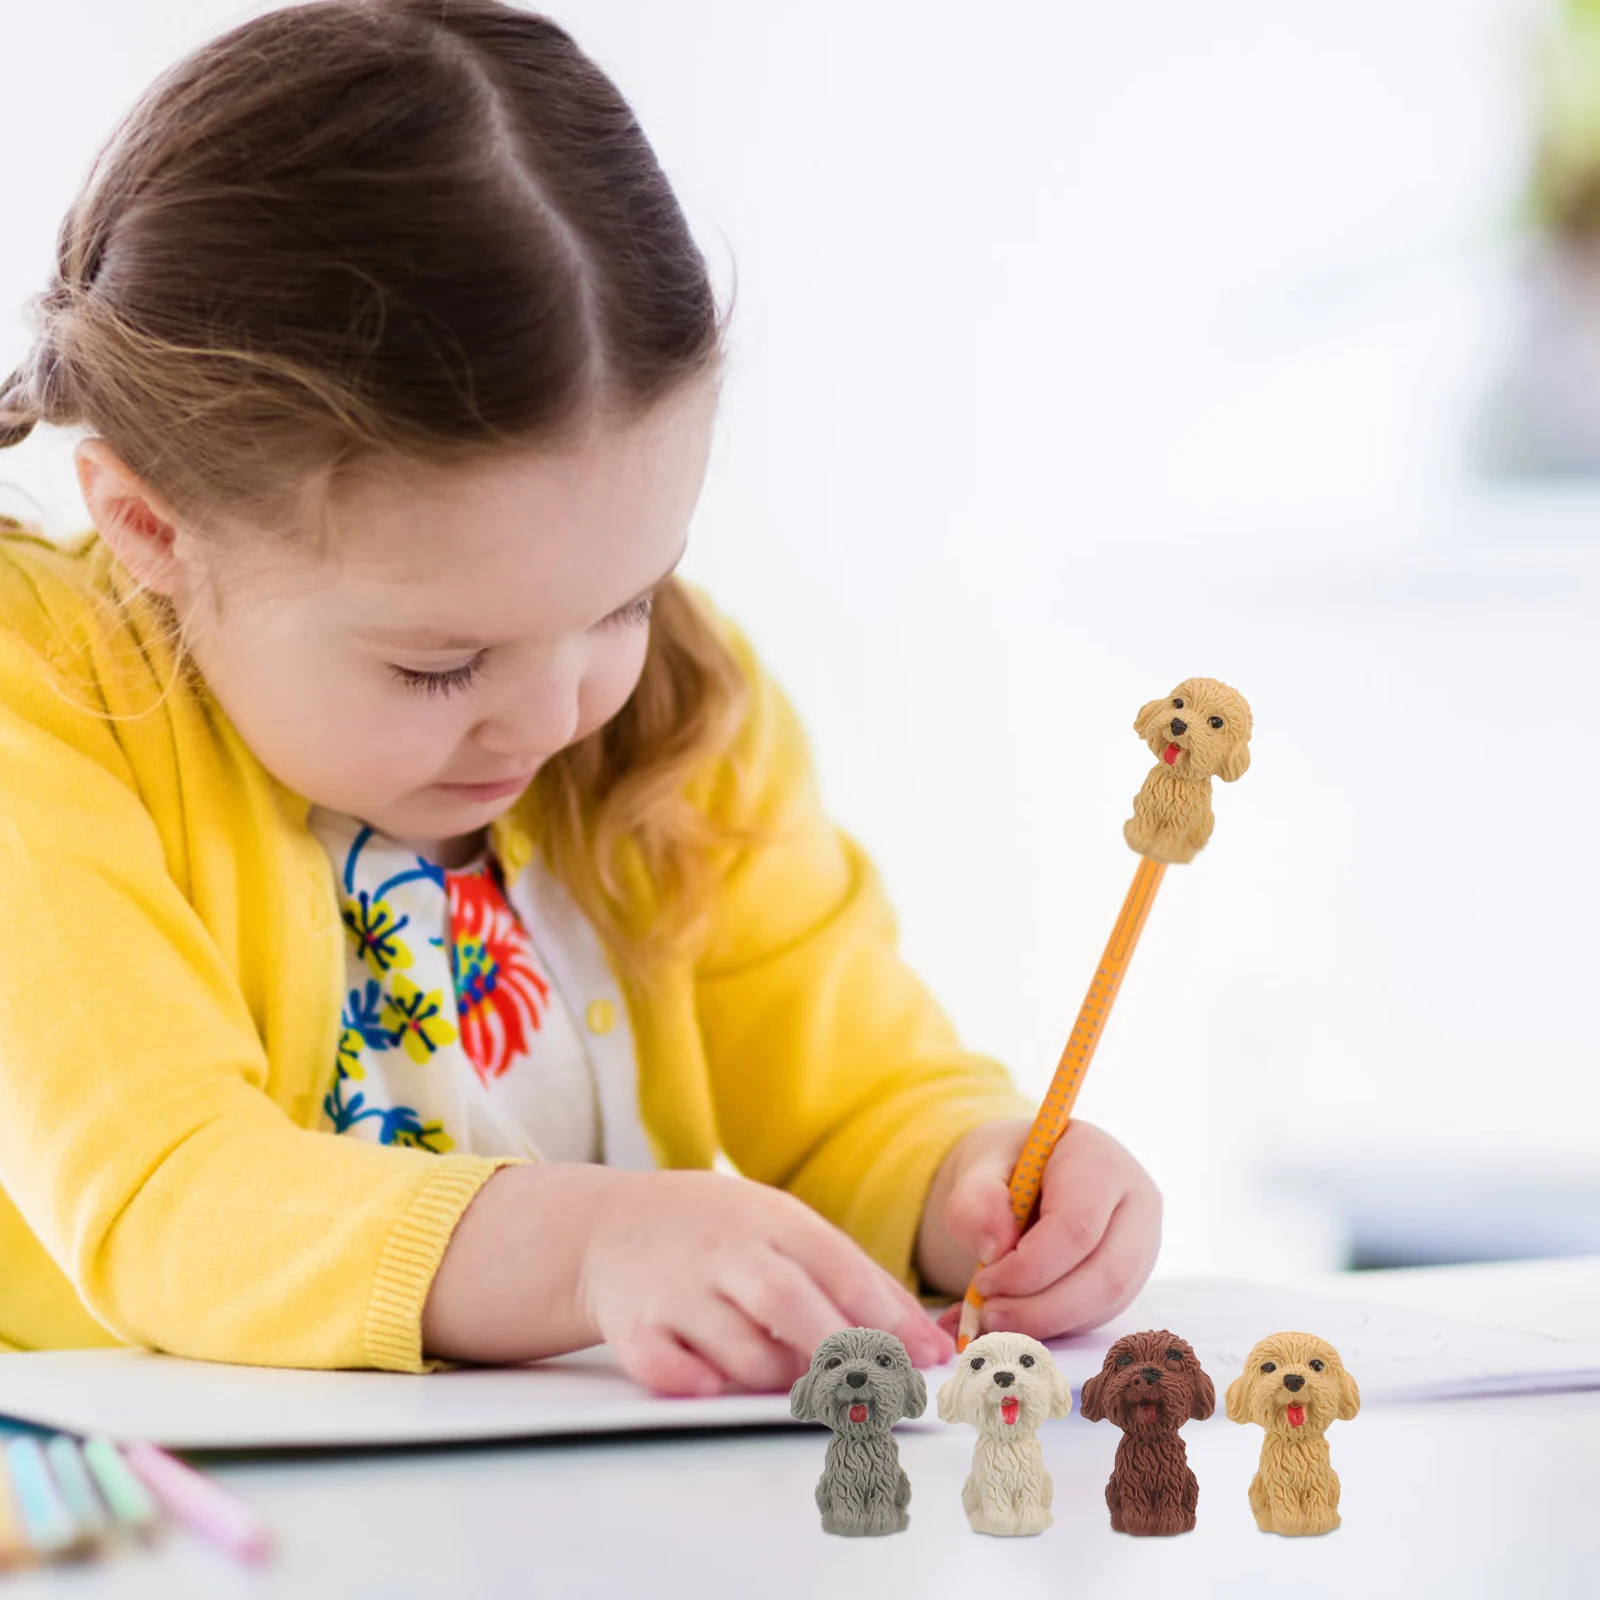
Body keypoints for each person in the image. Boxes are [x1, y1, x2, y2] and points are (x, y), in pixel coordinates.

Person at [0, 0, 1160, 1395]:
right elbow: (168, 1193)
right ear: (152, 529)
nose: (556, 718)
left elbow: (854, 1085)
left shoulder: (669, 705)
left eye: (625, 598)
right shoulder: (43, 702)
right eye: (440, 664)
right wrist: (597, 1243)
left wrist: (975, 1180)